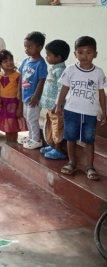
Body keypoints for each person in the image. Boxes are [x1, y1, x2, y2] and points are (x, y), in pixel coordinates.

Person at [56, 36, 107, 180]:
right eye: (80, 52)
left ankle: (90, 166)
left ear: (95, 54)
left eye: (88, 52)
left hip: (90, 113)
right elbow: (64, 88)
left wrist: (104, 111)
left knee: (89, 140)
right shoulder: (70, 69)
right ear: (75, 54)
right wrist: (59, 105)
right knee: (70, 138)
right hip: (72, 110)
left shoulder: (99, 72)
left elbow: (101, 93)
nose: (84, 55)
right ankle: (72, 162)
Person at [39, 40, 70, 159]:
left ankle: (59, 149)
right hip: (50, 105)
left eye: (48, 55)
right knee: (50, 125)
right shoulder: (54, 68)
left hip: (58, 108)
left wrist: (58, 105)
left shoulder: (61, 71)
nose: (46, 57)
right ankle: (52, 145)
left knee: (57, 127)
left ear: (58, 57)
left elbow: (61, 89)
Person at [18, 32, 48, 149]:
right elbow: (21, 75)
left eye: (30, 47)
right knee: (26, 116)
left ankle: (36, 139)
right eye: (25, 46)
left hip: (33, 97)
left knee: (32, 118)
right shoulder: (26, 61)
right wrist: (19, 91)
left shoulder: (41, 63)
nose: (27, 49)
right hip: (25, 95)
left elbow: (42, 80)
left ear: (39, 48)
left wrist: (36, 96)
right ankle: (31, 136)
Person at [0, 49, 28, 143]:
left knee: (13, 126)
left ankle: (13, 143)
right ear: (0, 65)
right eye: (5, 61)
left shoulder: (18, 75)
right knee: (7, 125)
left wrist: (20, 108)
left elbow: (21, 92)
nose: (9, 62)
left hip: (13, 104)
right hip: (3, 104)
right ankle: (9, 143)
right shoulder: (0, 75)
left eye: (10, 60)